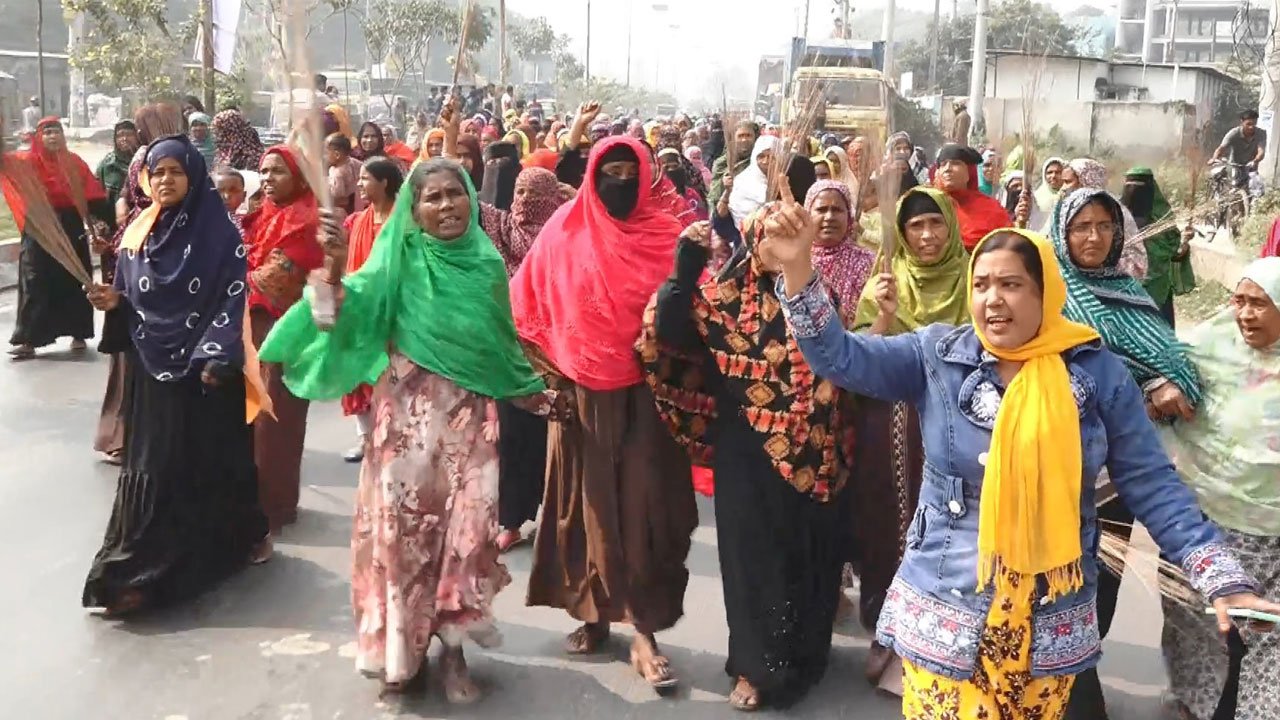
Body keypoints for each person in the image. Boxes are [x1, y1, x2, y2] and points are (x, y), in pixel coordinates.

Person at [765, 195, 1280, 719]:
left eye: (1011, 284)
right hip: (947, 598)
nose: (993, 300)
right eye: (982, 284)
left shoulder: (1096, 373)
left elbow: (1152, 483)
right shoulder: (937, 356)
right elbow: (839, 357)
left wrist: (1221, 578)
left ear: (1045, 291)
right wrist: (797, 266)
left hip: (1048, 616)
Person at [261, 157, 550, 700]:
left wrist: (534, 395)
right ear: (414, 211)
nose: (446, 205)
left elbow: (501, 349)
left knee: (466, 538)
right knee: (404, 540)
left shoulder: (487, 265)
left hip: (471, 428)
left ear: (471, 198)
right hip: (404, 430)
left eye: (454, 193)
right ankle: (400, 650)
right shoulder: (396, 261)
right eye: (432, 198)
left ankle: (454, 651)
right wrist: (333, 270)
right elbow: (335, 315)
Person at [640, 215, 851, 710]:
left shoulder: (820, 296)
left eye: (791, 236)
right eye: (773, 236)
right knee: (751, 560)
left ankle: (805, 656)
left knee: (809, 552)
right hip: (746, 453)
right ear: (755, 242)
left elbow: (841, 361)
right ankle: (754, 668)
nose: (783, 246)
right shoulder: (721, 299)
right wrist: (685, 268)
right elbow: (666, 331)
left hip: (816, 450)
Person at [513, 136, 698, 690]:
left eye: (629, 172)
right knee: (584, 506)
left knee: (646, 508)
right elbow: (526, 304)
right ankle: (593, 613)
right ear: (592, 177)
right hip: (579, 392)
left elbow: (698, 312)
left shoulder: (667, 235)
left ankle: (644, 629)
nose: (619, 182)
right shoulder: (564, 230)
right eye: (609, 172)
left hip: (650, 393)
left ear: (645, 177)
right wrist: (549, 380)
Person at [81, 135, 271, 617]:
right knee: (155, 466)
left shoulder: (219, 233)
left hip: (205, 373)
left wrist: (214, 354)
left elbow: (231, 297)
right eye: (157, 172)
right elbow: (128, 294)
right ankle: (134, 573)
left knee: (207, 462)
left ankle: (223, 546)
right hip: (151, 368)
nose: (165, 180)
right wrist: (113, 302)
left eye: (175, 171)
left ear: (192, 175)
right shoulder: (137, 231)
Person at [1049, 187, 1203, 719]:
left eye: (1104, 227)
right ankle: (1059, 685)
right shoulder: (1046, 293)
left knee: (1104, 575)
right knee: (1055, 577)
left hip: (1120, 469)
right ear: (1062, 233)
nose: (1093, 237)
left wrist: (1162, 383)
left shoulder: (1129, 292)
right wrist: (1142, 390)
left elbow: (1177, 365)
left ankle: (1081, 670)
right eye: (1081, 227)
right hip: (1057, 459)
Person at [848, 187, 970, 693]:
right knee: (890, 524)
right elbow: (858, 357)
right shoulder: (886, 280)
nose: (927, 235)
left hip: (961, 422)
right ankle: (887, 633)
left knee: (953, 530)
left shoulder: (974, 278)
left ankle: (946, 645)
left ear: (951, 227)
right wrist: (883, 314)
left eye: (935, 223)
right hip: (893, 422)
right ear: (901, 233)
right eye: (915, 226)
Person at [1159, 258, 1280, 720]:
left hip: (1269, 537)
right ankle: (1192, 706)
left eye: (1260, 304)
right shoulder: (1209, 347)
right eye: (1239, 301)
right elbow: (1155, 377)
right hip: (1202, 523)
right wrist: (1158, 390)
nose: (1245, 314)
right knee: (1196, 627)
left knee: (1267, 634)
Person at [474, 166, 566, 550]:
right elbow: (461, 196)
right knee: (511, 439)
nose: (526, 201)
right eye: (521, 191)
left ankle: (556, 521)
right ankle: (510, 520)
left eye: (535, 194)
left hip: (555, 354)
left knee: (555, 440)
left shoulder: (564, 234)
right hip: (508, 349)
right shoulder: (498, 228)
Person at [242, 145, 324, 532]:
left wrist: (226, 279)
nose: (268, 178)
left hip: (285, 331)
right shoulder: (262, 213)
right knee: (246, 416)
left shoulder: (305, 221)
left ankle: (273, 506)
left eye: (277, 171)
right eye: (264, 171)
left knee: (274, 421)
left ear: (298, 177)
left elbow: (275, 279)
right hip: (249, 326)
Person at [5, 117, 111, 360]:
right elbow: (5, 164)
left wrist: (100, 224)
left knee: (75, 276)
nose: (53, 137)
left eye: (57, 132)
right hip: (39, 225)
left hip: (70, 224)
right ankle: (28, 339)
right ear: (38, 137)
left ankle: (79, 332)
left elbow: (92, 195)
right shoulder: (26, 163)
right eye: (47, 132)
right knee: (34, 277)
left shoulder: (74, 163)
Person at [333, 158, 403, 463]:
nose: (359, 184)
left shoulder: (405, 221)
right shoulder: (357, 221)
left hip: (393, 310)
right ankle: (365, 438)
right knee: (357, 376)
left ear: (384, 183)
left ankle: (393, 437)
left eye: (365, 178)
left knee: (390, 375)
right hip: (359, 308)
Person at [1122, 167, 1196, 326]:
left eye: (1139, 186)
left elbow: (1175, 254)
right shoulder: (1116, 219)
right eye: (1131, 186)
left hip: (1155, 292)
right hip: (1129, 293)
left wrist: (1184, 242)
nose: (1135, 192)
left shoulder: (1162, 220)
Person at [1057, 158, 1147, 280]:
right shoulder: (1066, 210)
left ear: (1085, 180)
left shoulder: (1114, 211)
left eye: (1068, 182)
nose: (1063, 188)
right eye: (1082, 228)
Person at [806, 179, 875, 322]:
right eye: (821, 210)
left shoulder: (868, 262)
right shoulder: (796, 261)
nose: (829, 217)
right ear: (807, 215)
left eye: (837, 210)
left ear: (849, 217)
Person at [931, 144, 1010, 251]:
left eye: (956, 163)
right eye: (943, 164)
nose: (947, 169)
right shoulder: (929, 204)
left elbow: (1008, 246)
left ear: (969, 172)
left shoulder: (991, 209)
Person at [724, 135, 780, 225]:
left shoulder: (784, 178)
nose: (765, 161)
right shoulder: (743, 181)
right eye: (761, 157)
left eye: (771, 157)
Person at [708, 120, 760, 206]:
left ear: (755, 138)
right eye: (740, 136)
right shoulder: (722, 163)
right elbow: (713, 197)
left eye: (748, 136)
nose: (744, 140)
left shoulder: (762, 160)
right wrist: (724, 183)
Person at [1212, 109, 1267, 190]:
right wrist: (1214, 158)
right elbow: (1221, 148)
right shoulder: (1234, 133)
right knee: (1234, 187)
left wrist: (1255, 161)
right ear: (1242, 122)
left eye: (1254, 123)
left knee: (1255, 190)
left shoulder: (1261, 133)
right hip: (1234, 165)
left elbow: (1261, 152)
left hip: (1250, 166)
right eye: (1248, 124)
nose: (1251, 127)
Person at [95, 121, 140, 209]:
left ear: (137, 137)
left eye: (129, 134)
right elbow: (96, 190)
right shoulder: (107, 164)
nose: (124, 139)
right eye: (119, 136)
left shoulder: (143, 161)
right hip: (112, 213)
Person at [325, 133, 363, 216]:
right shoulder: (354, 162)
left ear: (337, 155)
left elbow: (337, 194)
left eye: (326, 153)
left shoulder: (336, 172)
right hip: (359, 203)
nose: (325, 156)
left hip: (345, 209)